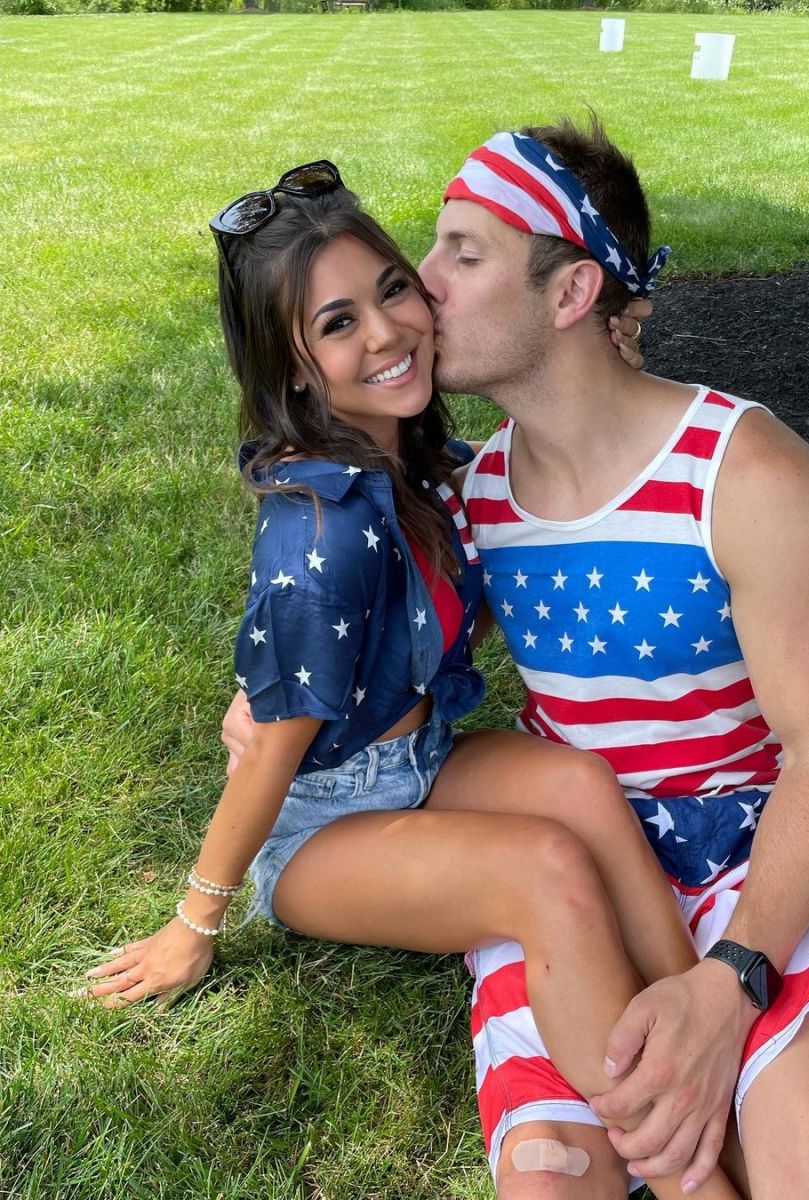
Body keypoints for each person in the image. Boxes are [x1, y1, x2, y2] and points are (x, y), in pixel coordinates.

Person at [84, 161, 742, 1200]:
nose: (387, 333)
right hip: (320, 831)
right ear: (295, 371)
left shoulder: (432, 466)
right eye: (337, 325)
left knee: (577, 788)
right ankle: (691, 1170)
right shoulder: (322, 533)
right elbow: (275, 751)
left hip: (420, 759)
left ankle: (709, 1023)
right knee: (544, 874)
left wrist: (611, 335)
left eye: (393, 289)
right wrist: (193, 924)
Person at [406, 117, 809, 1200]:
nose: (422, 287)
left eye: (464, 254)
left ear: (569, 296)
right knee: (556, 1182)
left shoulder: (749, 479)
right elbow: (382, 679)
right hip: (571, 871)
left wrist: (732, 981)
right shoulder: (473, 499)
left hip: (755, 855)